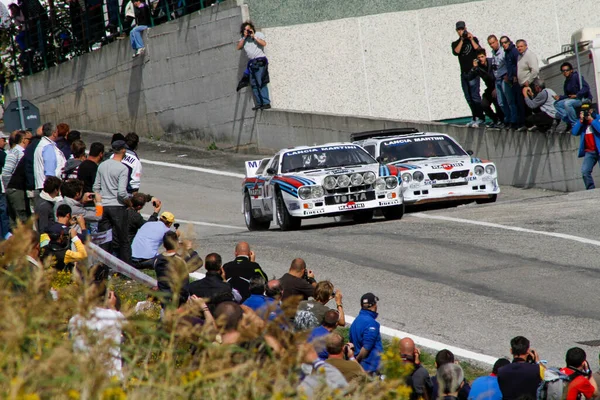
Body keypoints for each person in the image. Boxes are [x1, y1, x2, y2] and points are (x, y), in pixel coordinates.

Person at [68, 286, 125, 379]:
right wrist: (112, 307)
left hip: (82, 378)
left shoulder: (74, 319)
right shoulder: (115, 316)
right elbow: (129, 331)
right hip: (111, 378)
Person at [93, 140, 132, 263]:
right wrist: (128, 201)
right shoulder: (123, 168)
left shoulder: (102, 165)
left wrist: (99, 202)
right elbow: (121, 192)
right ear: (123, 150)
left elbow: (96, 187)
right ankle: (126, 270)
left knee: (104, 238)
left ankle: (103, 266)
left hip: (104, 206)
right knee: (123, 239)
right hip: (117, 206)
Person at [153, 231, 202, 308]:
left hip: (164, 301)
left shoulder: (157, 260)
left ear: (164, 245)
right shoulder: (180, 261)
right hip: (180, 302)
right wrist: (189, 249)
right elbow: (198, 263)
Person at [451, 21, 484, 128]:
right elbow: (456, 52)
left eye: (462, 29)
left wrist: (470, 38)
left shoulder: (472, 39)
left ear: (465, 28)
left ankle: (481, 117)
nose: (461, 31)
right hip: (464, 73)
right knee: (468, 97)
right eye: (459, 30)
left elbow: (479, 50)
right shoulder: (456, 43)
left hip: (473, 72)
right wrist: (462, 39)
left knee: (475, 96)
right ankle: (474, 117)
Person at [236, 21, 271, 110]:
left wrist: (254, 36)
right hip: (251, 64)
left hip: (260, 62)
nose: (247, 31)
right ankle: (259, 103)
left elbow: (264, 43)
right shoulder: (243, 39)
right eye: (245, 30)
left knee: (261, 82)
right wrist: (244, 37)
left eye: (248, 29)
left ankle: (266, 102)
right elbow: (238, 47)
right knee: (254, 84)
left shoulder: (258, 35)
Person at [497, 336, 544, 400]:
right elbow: (550, 378)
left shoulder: (501, 371)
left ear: (511, 351)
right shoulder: (537, 369)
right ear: (528, 351)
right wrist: (538, 361)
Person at [467, 49, 504, 128]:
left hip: (497, 86)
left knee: (498, 103)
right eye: (479, 57)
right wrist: (474, 68)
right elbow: (469, 77)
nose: (481, 59)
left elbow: (498, 75)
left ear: (485, 56)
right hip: (489, 88)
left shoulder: (492, 62)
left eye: (482, 57)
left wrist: (496, 88)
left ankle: (502, 120)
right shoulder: (478, 67)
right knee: (484, 104)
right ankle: (495, 119)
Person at [554, 62, 593, 133]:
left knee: (567, 103)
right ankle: (568, 120)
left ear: (571, 70)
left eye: (567, 70)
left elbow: (586, 88)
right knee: (557, 104)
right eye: (563, 71)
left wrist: (577, 95)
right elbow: (567, 95)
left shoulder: (576, 77)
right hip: (574, 100)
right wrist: (560, 97)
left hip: (583, 99)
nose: (565, 72)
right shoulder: (566, 82)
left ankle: (574, 124)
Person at [349, 292, 382, 375]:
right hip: (369, 368)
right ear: (373, 305)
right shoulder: (371, 324)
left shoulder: (356, 321)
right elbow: (366, 347)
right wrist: (356, 360)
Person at [572, 107, 600, 189]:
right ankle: (590, 189)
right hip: (589, 151)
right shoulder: (583, 123)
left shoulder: (597, 119)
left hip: (598, 150)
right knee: (585, 171)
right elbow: (574, 132)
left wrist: (592, 120)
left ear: (591, 111)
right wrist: (580, 121)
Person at [33, 122, 67, 191]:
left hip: (45, 185)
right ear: (54, 133)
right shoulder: (47, 147)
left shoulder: (43, 144)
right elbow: (49, 170)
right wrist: (54, 187)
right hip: (50, 187)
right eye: (57, 132)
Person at [487, 35, 511, 129]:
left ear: (497, 41)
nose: (492, 45)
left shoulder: (503, 52)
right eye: (490, 44)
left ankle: (512, 120)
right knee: (501, 102)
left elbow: (508, 64)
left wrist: (507, 75)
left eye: (493, 43)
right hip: (497, 79)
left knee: (509, 100)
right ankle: (507, 119)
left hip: (504, 78)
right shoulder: (493, 53)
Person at [501, 36, 524, 130]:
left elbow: (518, 64)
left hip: (517, 80)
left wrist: (515, 76)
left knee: (519, 102)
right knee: (513, 102)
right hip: (511, 80)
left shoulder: (514, 51)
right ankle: (516, 122)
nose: (504, 45)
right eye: (502, 43)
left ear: (509, 42)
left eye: (505, 42)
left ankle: (521, 123)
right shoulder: (506, 53)